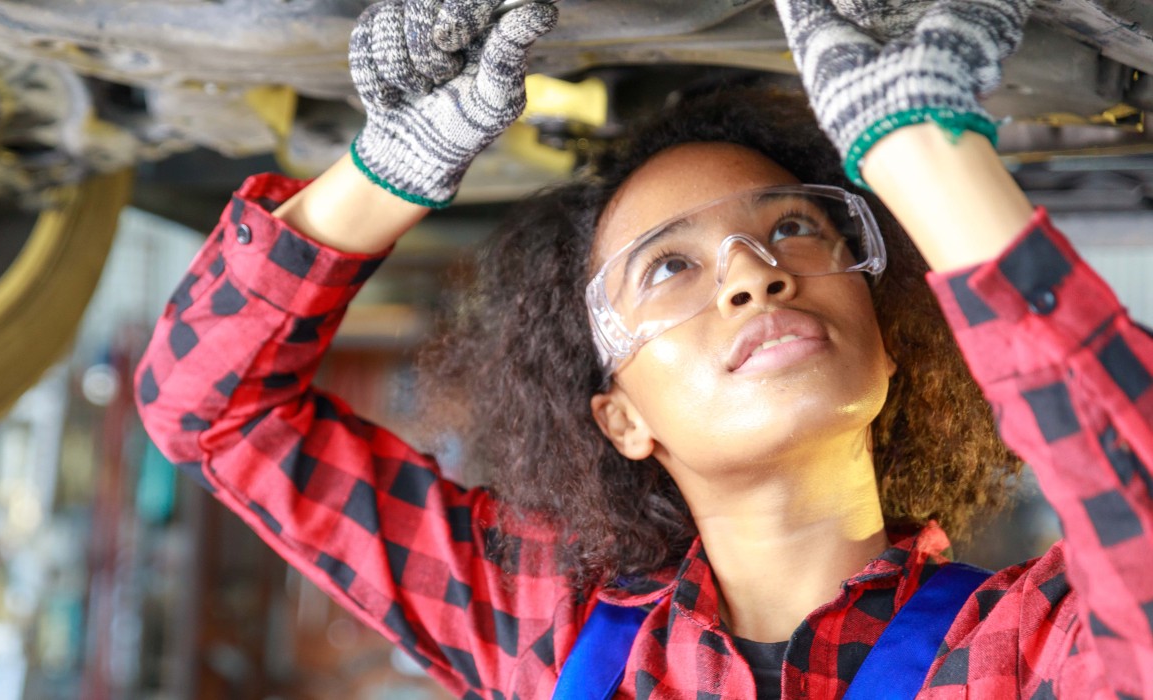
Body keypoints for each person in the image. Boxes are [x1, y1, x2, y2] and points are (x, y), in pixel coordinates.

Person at [135, 0, 1153, 696]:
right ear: (621, 416)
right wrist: (379, 171)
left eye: (795, 229)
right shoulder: (548, 631)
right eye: (670, 268)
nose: (754, 274)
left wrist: (921, 150)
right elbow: (207, 410)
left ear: (886, 343)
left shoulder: (1029, 651)